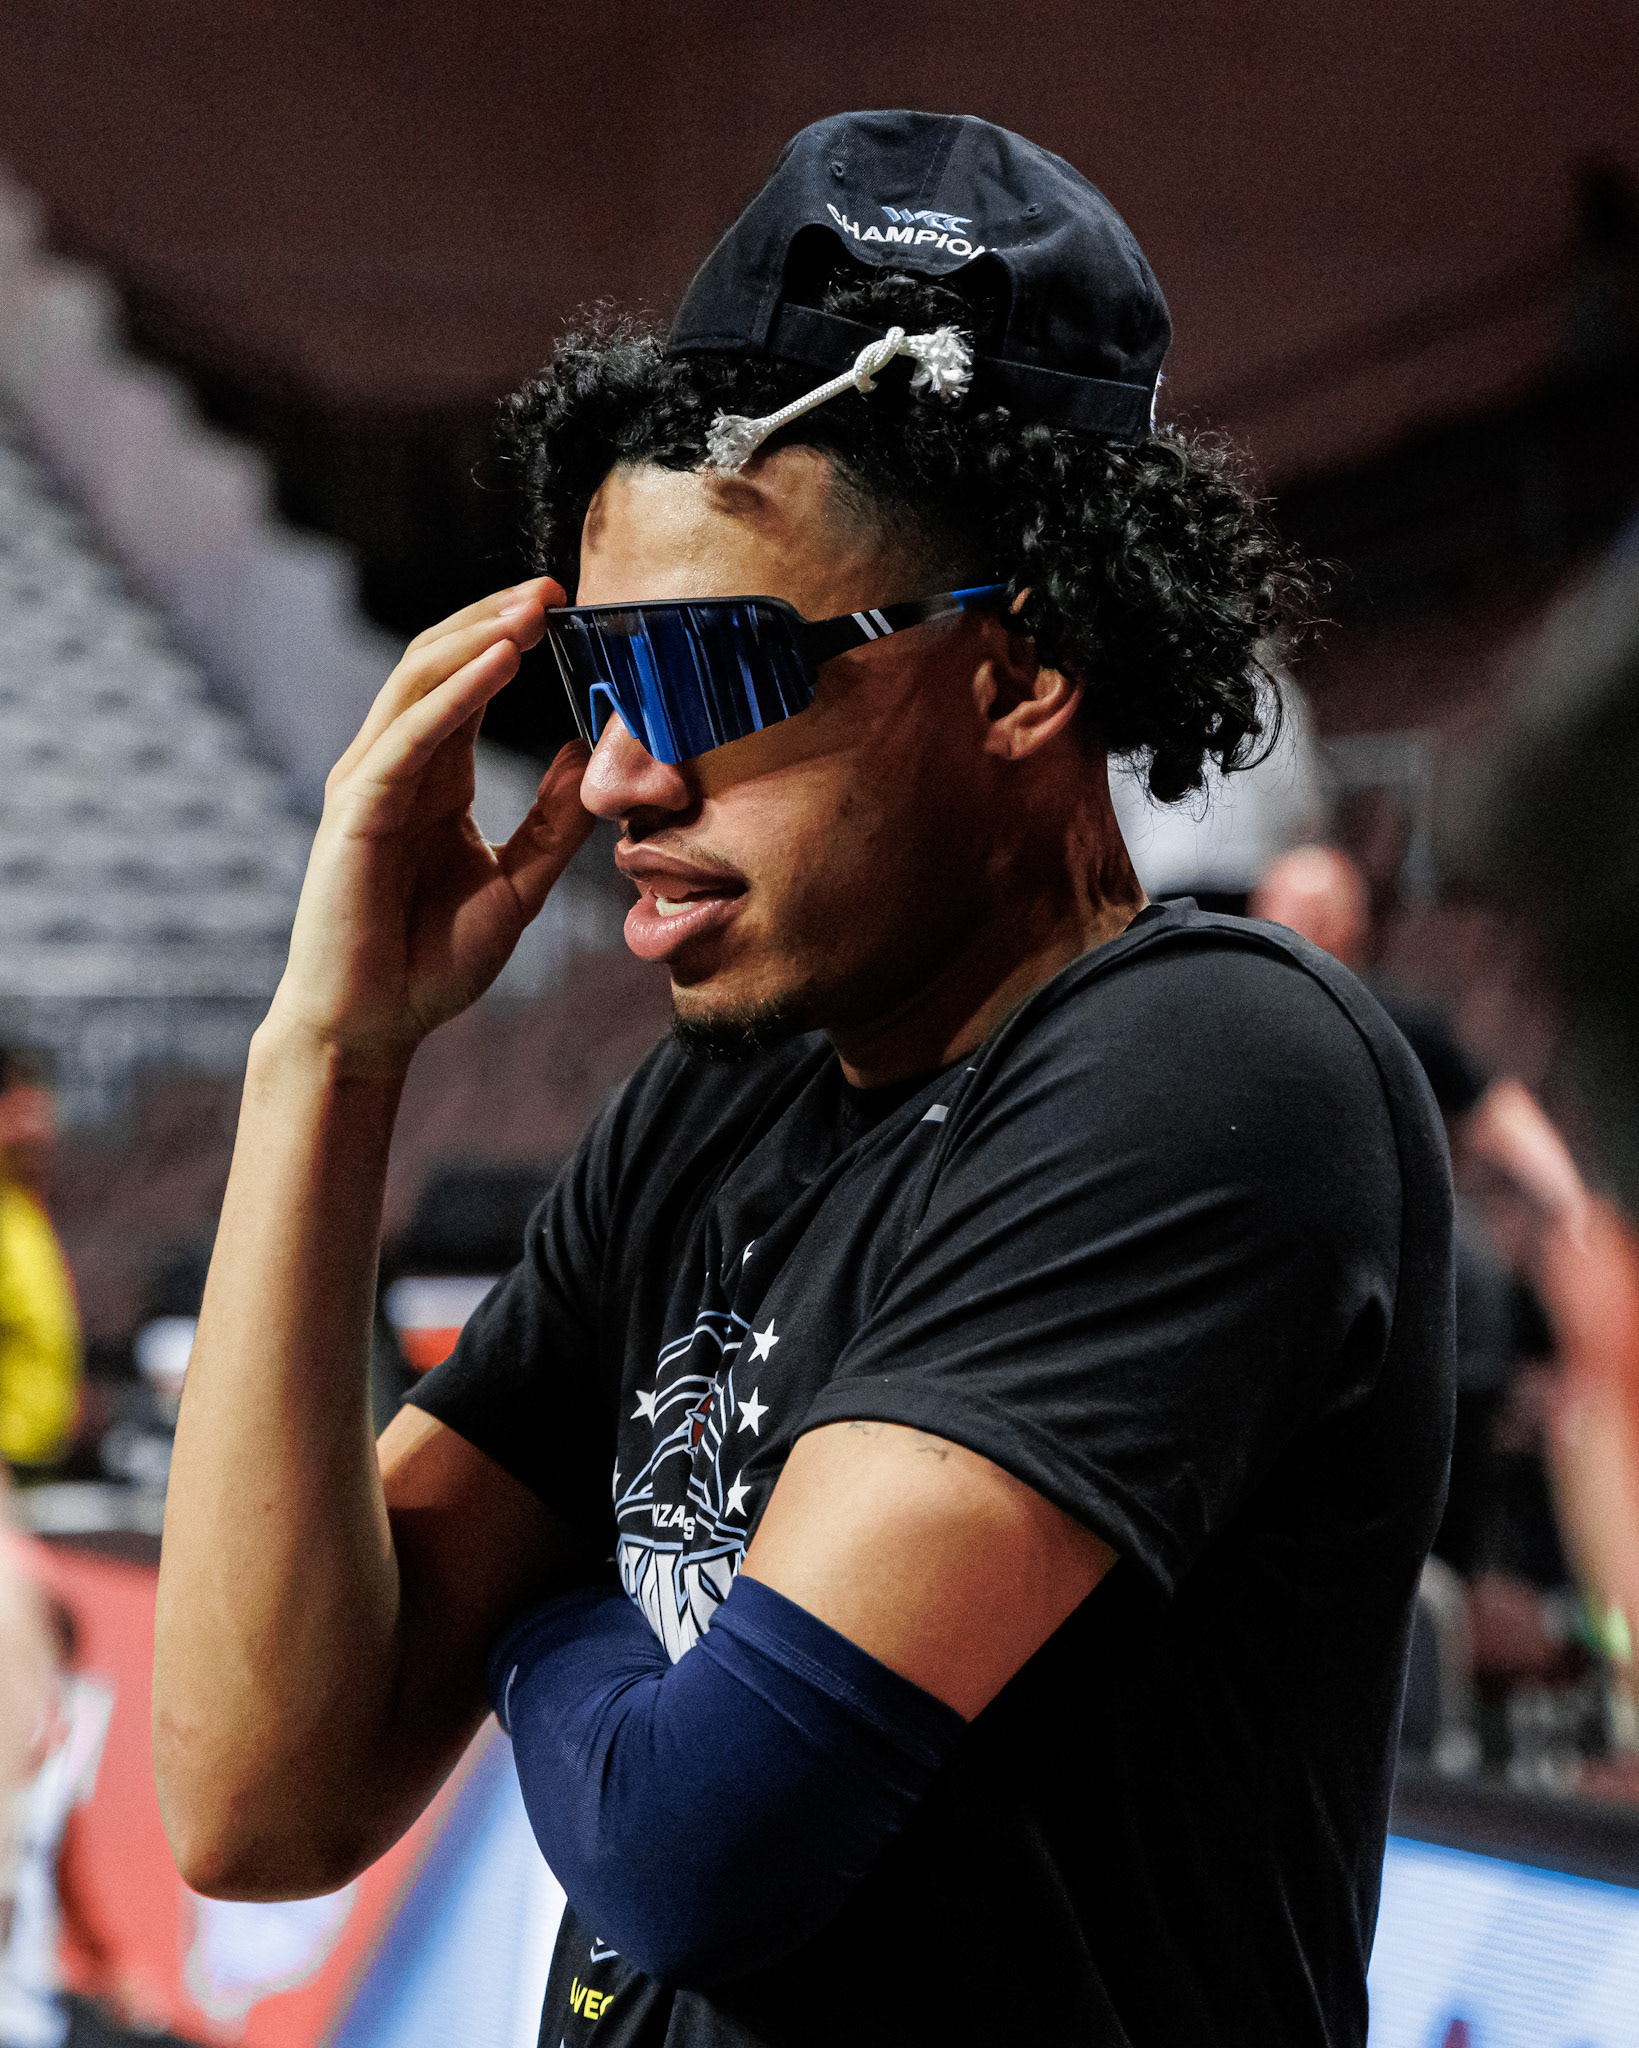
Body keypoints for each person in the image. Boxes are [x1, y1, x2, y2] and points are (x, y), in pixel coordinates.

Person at [154, 112, 1454, 2048]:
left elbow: (692, 1845)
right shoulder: (715, 1105)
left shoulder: (1214, 1069)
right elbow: (257, 1797)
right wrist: (326, 1052)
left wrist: (546, 1605)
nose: (617, 774)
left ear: (1020, 672)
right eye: (598, 681)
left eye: (701, 675)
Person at [0, 1054, 82, 1475]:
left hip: (38, 1464)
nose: (38, 1132)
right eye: (22, 1116)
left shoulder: (24, 1212)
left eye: (43, 1117)